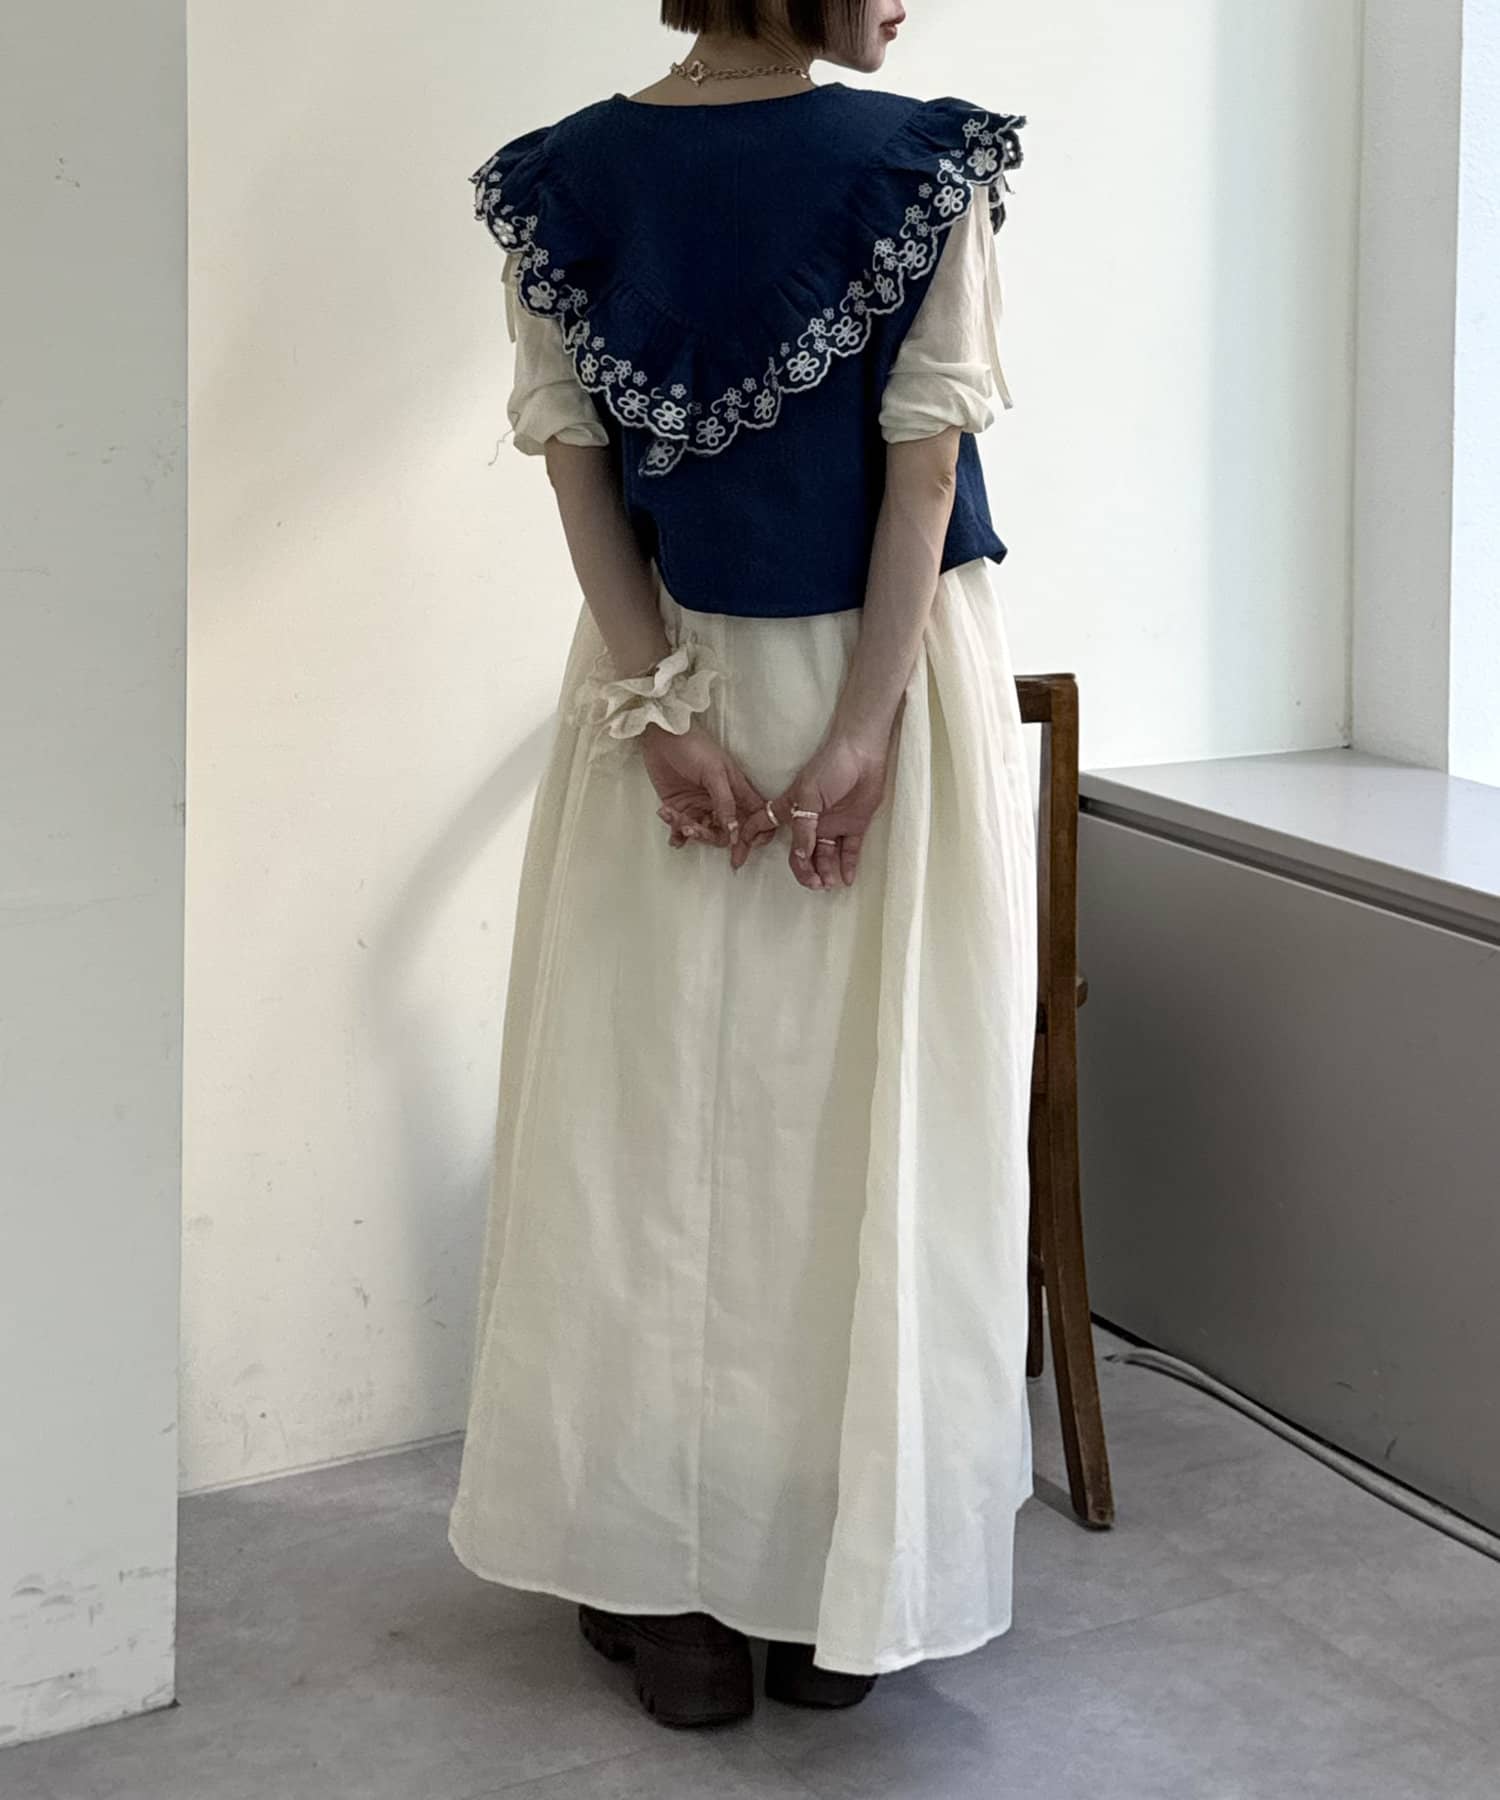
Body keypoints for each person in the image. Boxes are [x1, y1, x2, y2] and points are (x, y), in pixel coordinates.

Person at [446, 0, 1038, 1729]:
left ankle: (667, 1593)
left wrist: (654, 707)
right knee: (860, 1115)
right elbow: (919, 478)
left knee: (643, 1124)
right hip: (888, 675)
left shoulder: (562, 180)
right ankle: (826, 1580)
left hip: (667, 675)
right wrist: (861, 734)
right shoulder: (923, 164)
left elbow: (576, 475)